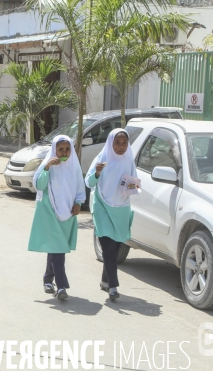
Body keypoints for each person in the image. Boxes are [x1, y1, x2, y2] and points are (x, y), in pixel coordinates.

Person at [28, 135, 86, 301]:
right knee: (58, 249)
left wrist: (78, 203)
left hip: (67, 212)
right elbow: (39, 185)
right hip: (49, 212)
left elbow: (79, 187)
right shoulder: (48, 166)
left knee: (56, 248)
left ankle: (48, 278)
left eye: (67, 149)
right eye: (60, 149)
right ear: (54, 150)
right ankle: (61, 286)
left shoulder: (74, 166)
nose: (64, 153)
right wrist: (47, 168)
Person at [85, 129, 138, 301]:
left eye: (124, 143)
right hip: (102, 207)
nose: (121, 147)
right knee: (107, 247)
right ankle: (113, 287)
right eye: (117, 143)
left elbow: (134, 183)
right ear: (110, 143)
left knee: (114, 250)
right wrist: (97, 173)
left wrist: (129, 188)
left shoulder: (129, 159)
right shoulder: (102, 159)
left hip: (121, 208)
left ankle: (105, 281)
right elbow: (89, 182)